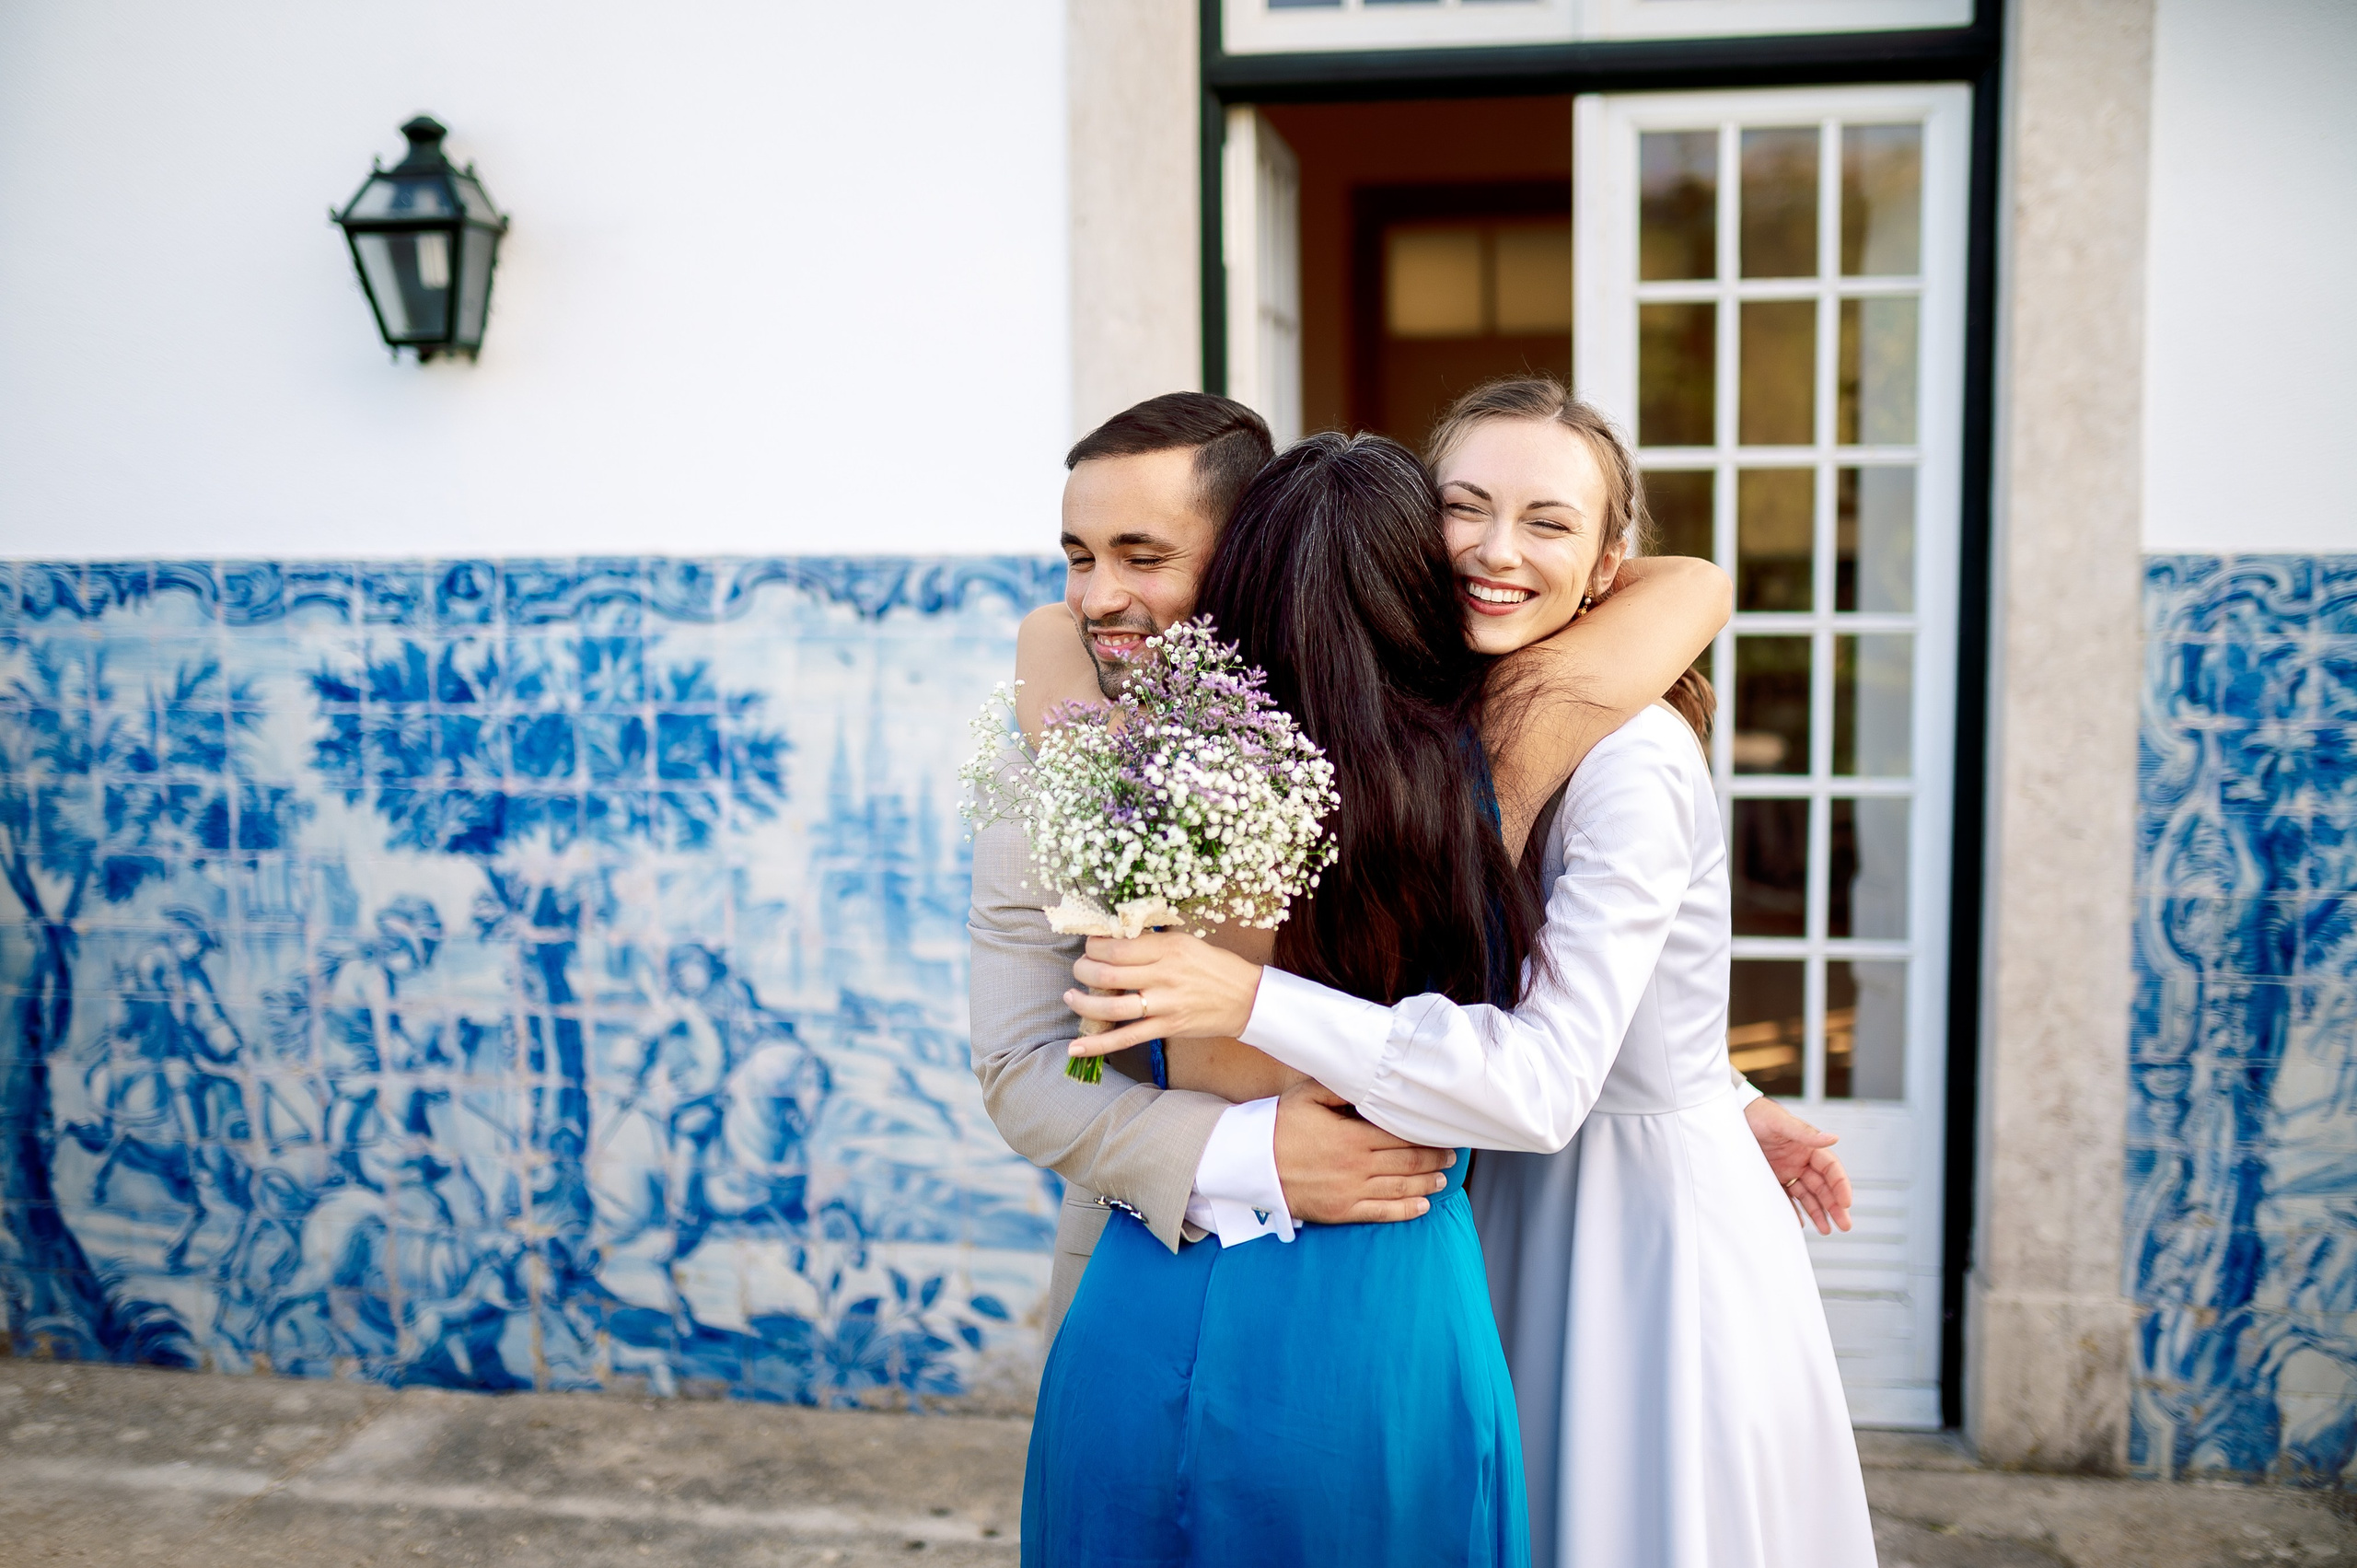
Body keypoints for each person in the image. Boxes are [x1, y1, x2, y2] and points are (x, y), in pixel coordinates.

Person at [1069, 377, 1876, 1568]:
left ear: (1608, 563)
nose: (1497, 551)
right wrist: (1728, 1090)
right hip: (1492, 1179)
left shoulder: (1624, 756)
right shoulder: (1440, 722)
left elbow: (1560, 1072)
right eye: (1464, 508)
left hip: (1628, 1221)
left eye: (1549, 521)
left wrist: (1701, 1094)